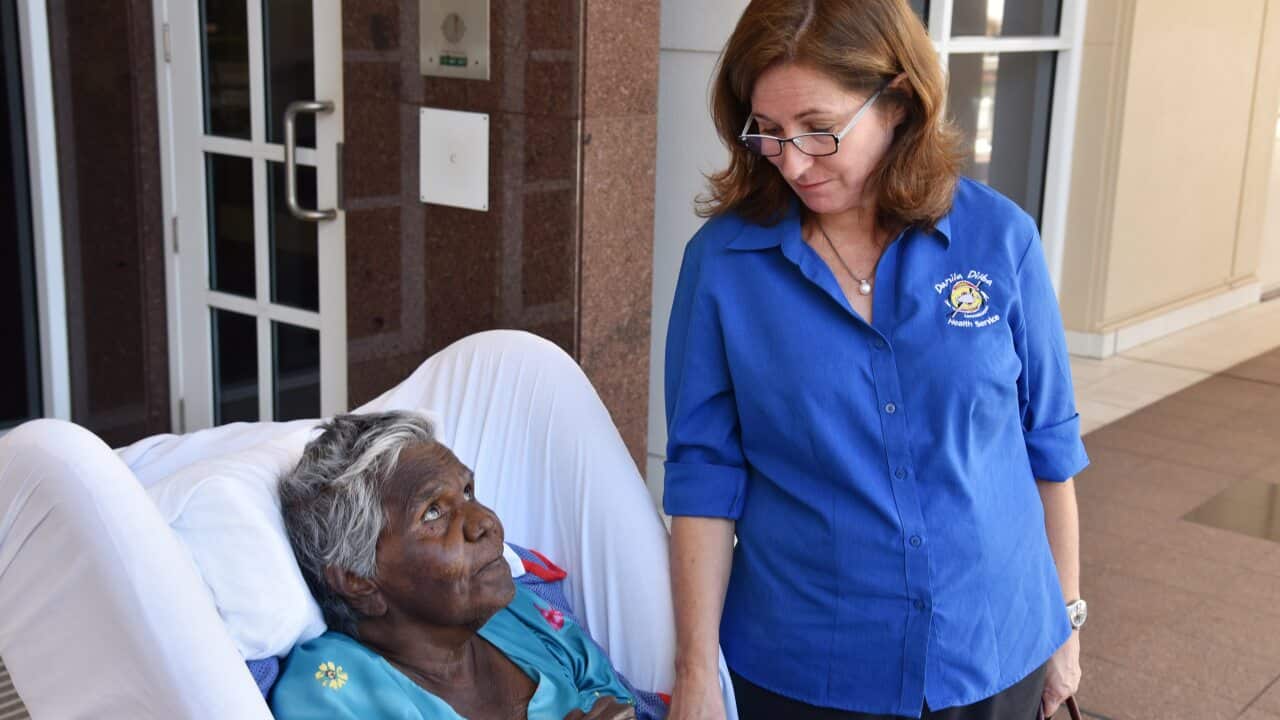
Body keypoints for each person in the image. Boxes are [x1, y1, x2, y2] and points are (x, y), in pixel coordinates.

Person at [662, 2, 1089, 719]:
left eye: (818, 130)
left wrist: (1066, 621)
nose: (791, 161)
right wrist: (697, 671)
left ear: (897, 101)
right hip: (806, 667)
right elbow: (703, 477)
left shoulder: (999, 239)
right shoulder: (723, 267)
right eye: (767, 131)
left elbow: (1047, 445)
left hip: (994, 645)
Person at [271, 411, 639, 720]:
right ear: (357, 579)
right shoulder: (329, 690)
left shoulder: (518, 613)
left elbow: (618, 700)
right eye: (433, 512)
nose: (486, 522)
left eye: (468, 492)